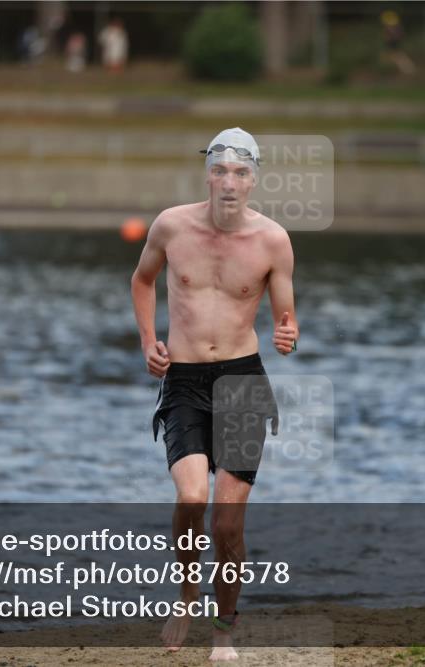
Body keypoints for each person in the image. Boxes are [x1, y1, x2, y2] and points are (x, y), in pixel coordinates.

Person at [130, 127, 299, 661]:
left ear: (254, 180)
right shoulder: (170, 225)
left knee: (227, 524)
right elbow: (142, 281)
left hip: (243, 382)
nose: (229, 182)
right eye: (221, 171)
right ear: (208, 174)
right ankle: (186, 594)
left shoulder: (273, 240)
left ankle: (223, 628)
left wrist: (288, 335)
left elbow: (286, 317)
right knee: (191, 498)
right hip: (182, 378)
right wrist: (147, 342)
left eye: (241, 173)